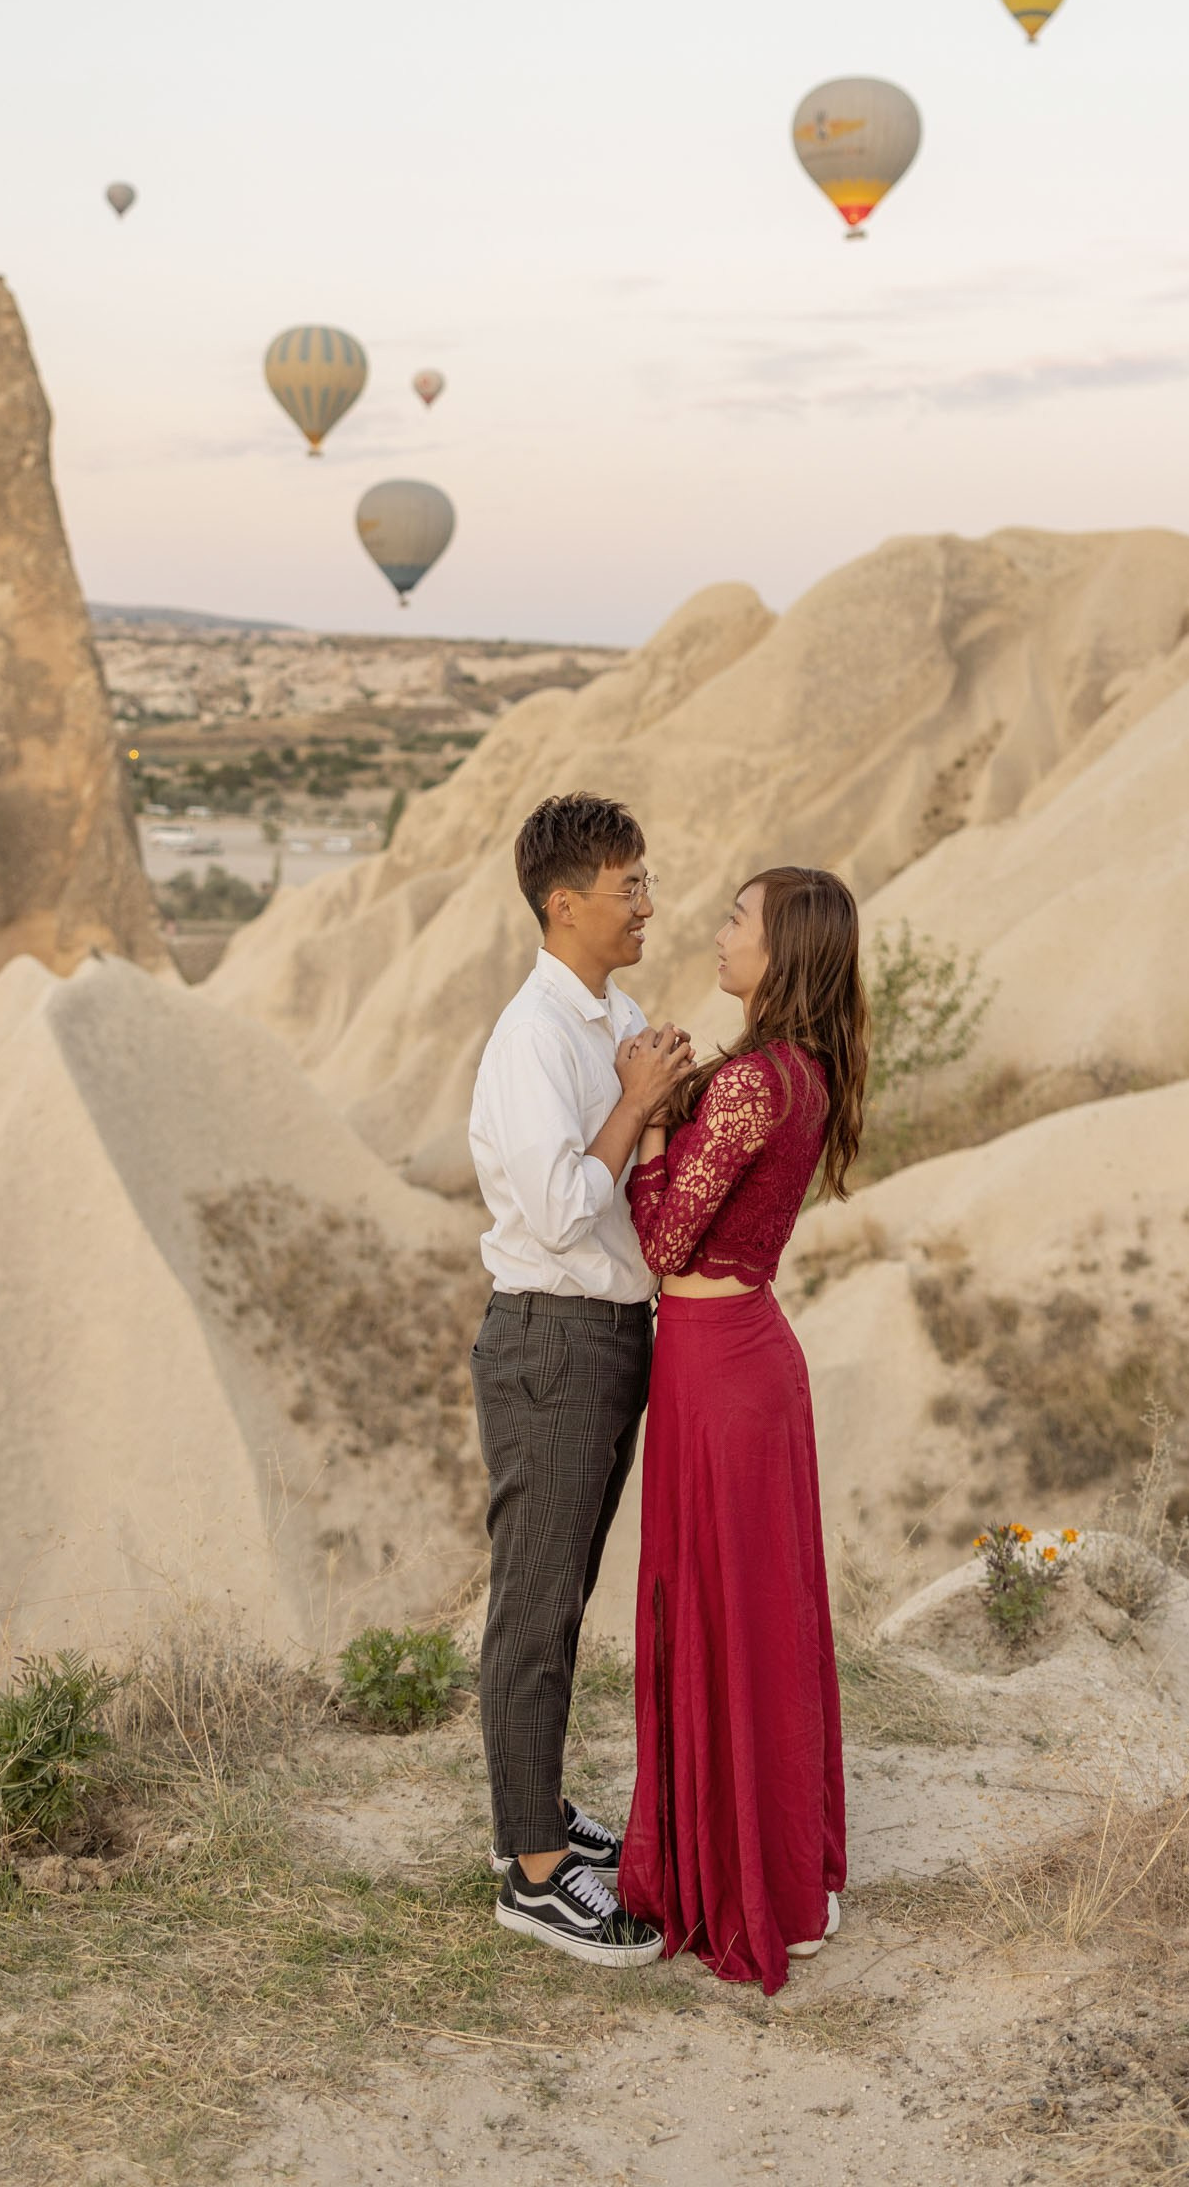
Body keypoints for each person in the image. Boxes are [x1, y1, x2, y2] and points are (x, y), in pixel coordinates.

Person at [616, 866, 868, 1995]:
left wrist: (652, 1125)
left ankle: (743, 1883)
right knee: (760, 1615)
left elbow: (666, 1243)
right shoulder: (802, 1072)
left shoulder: (753, 1085)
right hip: (747, 1358)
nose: (719, 934)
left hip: (716, 1371)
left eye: (738, 920)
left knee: (721, 1610)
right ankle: (783, 1877)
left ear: (784, 951)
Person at [467, 791, 688, 1966]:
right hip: (551, 1335)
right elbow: (558, 1208)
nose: (648, 903)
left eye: (647, 882)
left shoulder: (619, 1011)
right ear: (566, 905)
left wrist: (674, 1100)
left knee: (570, 1589)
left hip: (610, 1333)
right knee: (536, 1604)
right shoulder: (532, 1039)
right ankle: (532, 1871)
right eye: (629, 887)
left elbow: (636, 1171)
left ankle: (542, 1815)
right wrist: (642, 1102)